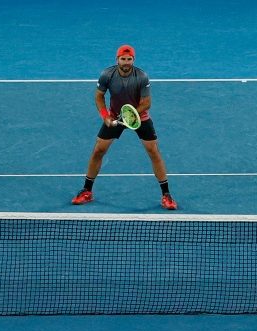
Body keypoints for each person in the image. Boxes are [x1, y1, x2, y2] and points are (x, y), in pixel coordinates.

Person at [71, 45, 178, 210]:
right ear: (117, 59)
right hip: (115, 116)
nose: (126, 62)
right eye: (123, 59)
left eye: (129, 59)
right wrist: (105, 116)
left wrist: (131, 114)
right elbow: (99, 96)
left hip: (139, 118)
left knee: (153, 152)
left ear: (133, 60)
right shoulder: (107, 74)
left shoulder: (141, 76)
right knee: (99, 150)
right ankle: (87, 191)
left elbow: (147, 103)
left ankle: (166, 195)